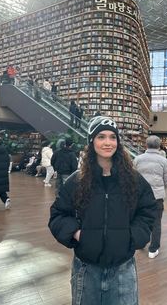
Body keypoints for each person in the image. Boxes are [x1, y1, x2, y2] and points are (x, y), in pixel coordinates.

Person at [48, 116, 156, 305]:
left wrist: (132, 237)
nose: (108, 142)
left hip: (123, 268)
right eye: (101, 137)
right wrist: (78, 234)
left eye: (112, 137)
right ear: (92, 141)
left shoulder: (133, 179)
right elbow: (58, 214)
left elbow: (147, 211)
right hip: (86, 269)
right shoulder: (77, 180)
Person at [134, 135, 167, 259]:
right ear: (159, 146)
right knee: (156, 222)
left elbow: (133, 176)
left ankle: (139, 243)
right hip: (157, 196)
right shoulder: (164, 161)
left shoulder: (138, 159)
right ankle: (153, 249)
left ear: (146, 145)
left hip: (139, 196)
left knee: (139, 219)